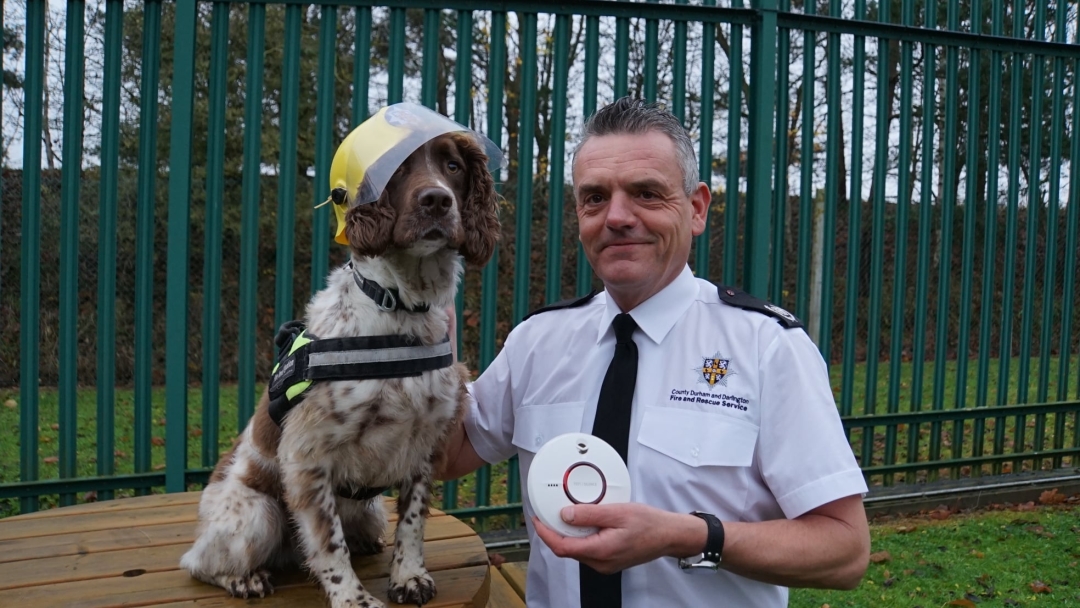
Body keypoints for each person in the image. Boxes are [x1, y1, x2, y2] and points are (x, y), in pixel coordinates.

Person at [440, 97, 870, 607]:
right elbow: (446, 454)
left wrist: (688, 535)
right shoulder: (538, 341)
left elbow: (844, 551)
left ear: (696, 209)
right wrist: (431, 340)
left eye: (646, 193)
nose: (617, 217)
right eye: (594, 198)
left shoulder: (766, 347)